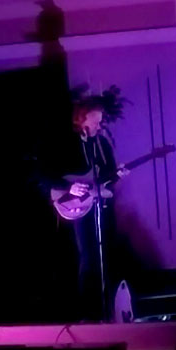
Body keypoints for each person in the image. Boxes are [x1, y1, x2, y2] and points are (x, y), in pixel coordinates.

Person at [40, 96, 129, 321]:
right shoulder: (66, 144)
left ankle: (107, 312)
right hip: (75, 208)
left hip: (100, 207)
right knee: (87, 257)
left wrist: (118, 175)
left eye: (101, 121)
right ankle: (87, 314)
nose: (100, 125)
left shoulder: (102, 144)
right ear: (82, 119)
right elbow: (44, 175)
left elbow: (106, 180)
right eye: (95, 121)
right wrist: (68, 186)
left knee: (105, 256)